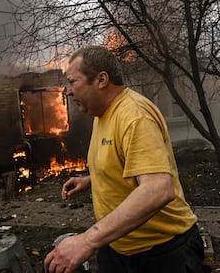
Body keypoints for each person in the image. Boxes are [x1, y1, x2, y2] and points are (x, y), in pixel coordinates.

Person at [44, 46, 206, 273]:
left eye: (73, 82)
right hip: (117, 247)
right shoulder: (101, 114)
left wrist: (86, 241)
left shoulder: (134, 115)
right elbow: (124, 161)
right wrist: (93, 178)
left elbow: (158, 189)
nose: (68, 91)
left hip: (162, 253)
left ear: (101, 80)